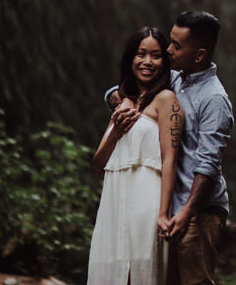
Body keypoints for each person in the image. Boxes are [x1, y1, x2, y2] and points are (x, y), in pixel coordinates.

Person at [107, 11, 234, 285]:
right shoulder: (175, 80)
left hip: (197, 211)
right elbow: (121, 90)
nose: (167, 50)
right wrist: (122, 102)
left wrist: (187, 211)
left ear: (199, 55)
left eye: (177, 45)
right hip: (164, 209)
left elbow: (208, 164)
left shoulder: (214, 99)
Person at [88, 28, 185, 285]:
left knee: (141, 274)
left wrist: (163, 213)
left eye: (155, 55)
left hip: (146, 201)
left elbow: (170, 160)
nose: (147, 62)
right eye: (141, 54)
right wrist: (116, 131)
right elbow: (99, 166)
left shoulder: (166, 100)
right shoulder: (124, 103)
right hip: (113, 202)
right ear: (130, 58)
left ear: (164, 62)